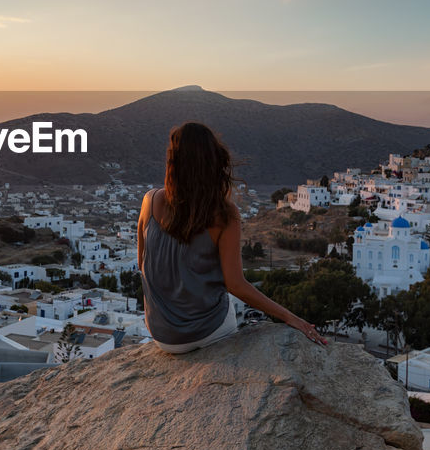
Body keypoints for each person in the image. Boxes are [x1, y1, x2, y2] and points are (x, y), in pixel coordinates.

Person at [136, 122, 326, 354]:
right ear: (212, 162)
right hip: (209, 332)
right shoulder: (224, 214)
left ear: (172, 162)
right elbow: (235, 285)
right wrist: (291, 318)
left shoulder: (149, 200)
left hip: (163, 336)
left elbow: (141, 263)